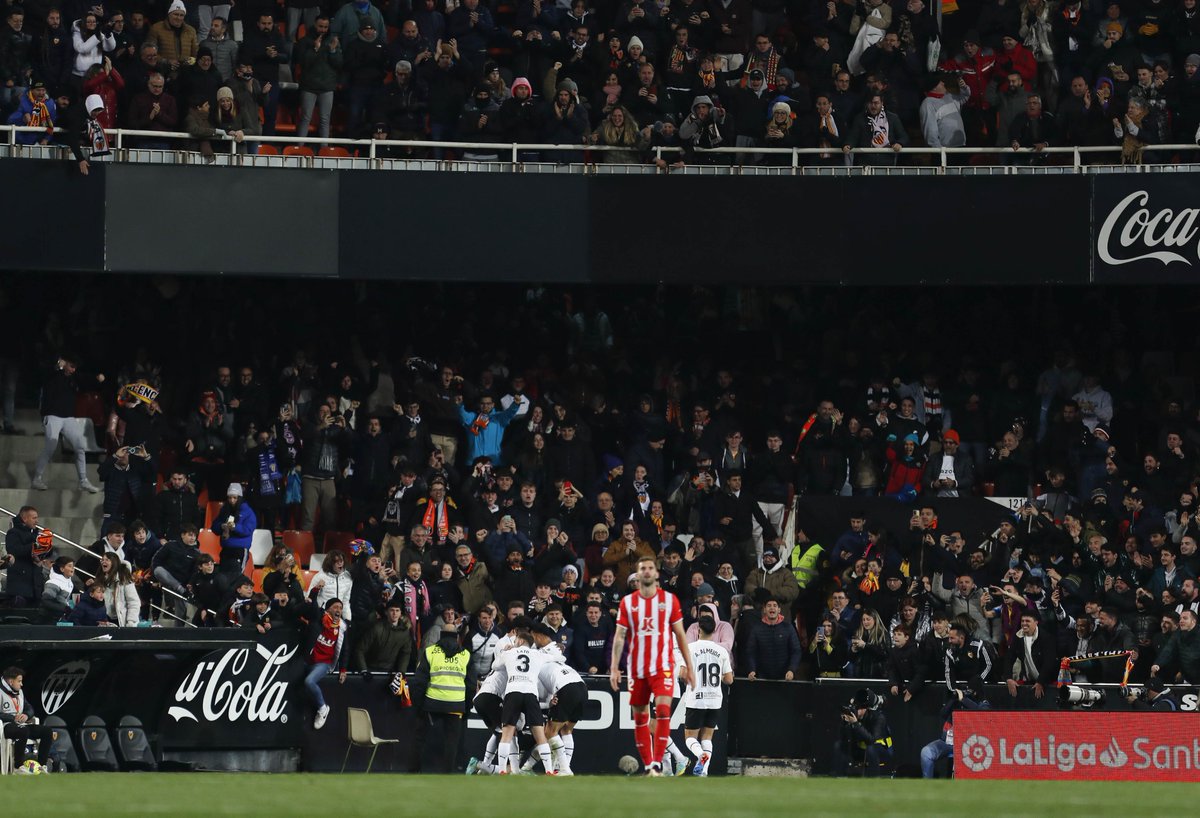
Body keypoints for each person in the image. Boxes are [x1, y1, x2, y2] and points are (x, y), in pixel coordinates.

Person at [609, 555, 697, 776]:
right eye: (643, 568)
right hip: (637, 668)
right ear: (638, 575)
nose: (647, 571)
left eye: (650, 568)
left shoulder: (669, 601)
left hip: (663, 666)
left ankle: (659, 764)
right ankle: (652, 767)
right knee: (641, 719)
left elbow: (680, 636)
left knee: (664, 712)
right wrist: (614, 668)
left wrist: (689, 667)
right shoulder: (627, 603)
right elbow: (619, 637)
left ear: (656, 573)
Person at [32, 355, 104, 492]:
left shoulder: (73, 378)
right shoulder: (53, 374)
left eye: (75, 367)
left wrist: (97, 378)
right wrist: (57, 365)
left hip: (68, 418)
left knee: (80, 447)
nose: (73, 369)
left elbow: (85, 378)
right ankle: (37, 479)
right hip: (52, 416)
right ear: (64, 363)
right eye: (71, 366)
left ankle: (83, 481)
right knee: (50, 448)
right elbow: (44, 373)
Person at [412, 619, 474, 772]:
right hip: (455, 704)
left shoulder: (430, 652)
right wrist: (466, 707)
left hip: (432, 703)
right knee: (451, 742)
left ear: (441, 635)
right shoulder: (465, 655)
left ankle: (414, 770)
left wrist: (419, 705)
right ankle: (447, 774)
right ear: (456, 637)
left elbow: (419, 682)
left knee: (420, 738)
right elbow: (471, 685)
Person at [496, 628, 555, 775]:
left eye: (515, 641)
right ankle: (549, 770)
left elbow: (494, 666)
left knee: (507, 734)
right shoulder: (538, 654)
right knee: (540, 735)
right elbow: (561, 659)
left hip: (513, 692)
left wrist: (504, 651)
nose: (514, 643)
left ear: (521, 641)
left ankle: (502, 769)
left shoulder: (509, 653)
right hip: (530, 693)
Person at [531, 622, 587, 775]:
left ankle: (564, 769)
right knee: (567, 729)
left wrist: (548, 701)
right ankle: (562, 768)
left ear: (537, 635)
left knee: (550, 732)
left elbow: (541, 689)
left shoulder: (537, 657)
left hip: (566, 687)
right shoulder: (555, 654)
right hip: (581, 685)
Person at [683, 609, 734, 776]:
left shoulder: (689, 648)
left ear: (698, 630)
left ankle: (701, 756)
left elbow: (683, 675)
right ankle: (703, 771)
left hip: (696, 698)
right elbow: (729, 680)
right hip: (714, 699)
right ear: (714, 631)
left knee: (690, 738)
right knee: (707, 738)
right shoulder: (721, 651)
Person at [304, 597, 349, 730]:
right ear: (328, 609)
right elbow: (312, 610)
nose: (338, 610)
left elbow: (346, 649)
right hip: (307, 660)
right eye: (335, 607)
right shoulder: (319, 620)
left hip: (323, 663)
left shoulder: (342, 628)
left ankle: (323, 708)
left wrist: (343, 669)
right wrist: (314, 593)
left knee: (309, 682)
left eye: (340, 608)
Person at [0, 667, 55, 773]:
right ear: (11, 682)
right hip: (6, 725)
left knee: (47, 731)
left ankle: (42, 765)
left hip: (22, 724)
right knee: (23, 731)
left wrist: (26, 715)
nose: (21, 684)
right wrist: (12, 718)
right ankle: (18, 767)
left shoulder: (19, 692)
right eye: (19, 681)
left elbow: (29, 708)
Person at [832, 688, 892, 776]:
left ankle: (873, 779)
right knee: (838, 745)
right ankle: (839, 777)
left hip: (882, 749)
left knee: (871, 749)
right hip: (862, 748)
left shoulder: (879, 718)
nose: (857, 710)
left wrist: (856, 724)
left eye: (859, 708)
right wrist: (845, 723)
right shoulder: (855, 717)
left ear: (866, 709)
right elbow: (843, 738)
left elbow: (872, 740)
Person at [215, 482, 255, 574]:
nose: (232, 500)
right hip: (226, 549)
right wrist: (221, 526)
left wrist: (235, 527)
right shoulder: (224, 510)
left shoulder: (248, 512)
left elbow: (248, 530)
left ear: (239, 498)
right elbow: (214, 526)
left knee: (237, 577)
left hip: (240, 549)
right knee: (223, 576)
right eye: (229, 497)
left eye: (235, 498)